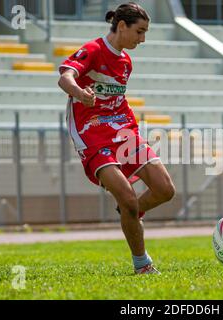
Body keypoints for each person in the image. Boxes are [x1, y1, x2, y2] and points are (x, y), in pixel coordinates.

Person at [58, 2, 176, 274]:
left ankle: (129, 213)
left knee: (165, 190)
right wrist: (80, 93)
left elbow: (117, 98)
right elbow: (65, 77)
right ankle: (142, 264)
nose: (143, 39)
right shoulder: (93, 50)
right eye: (140, 32)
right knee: (128, 197)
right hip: (93, 132)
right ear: (122, 26)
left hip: (124, 129)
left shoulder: (126, 61)